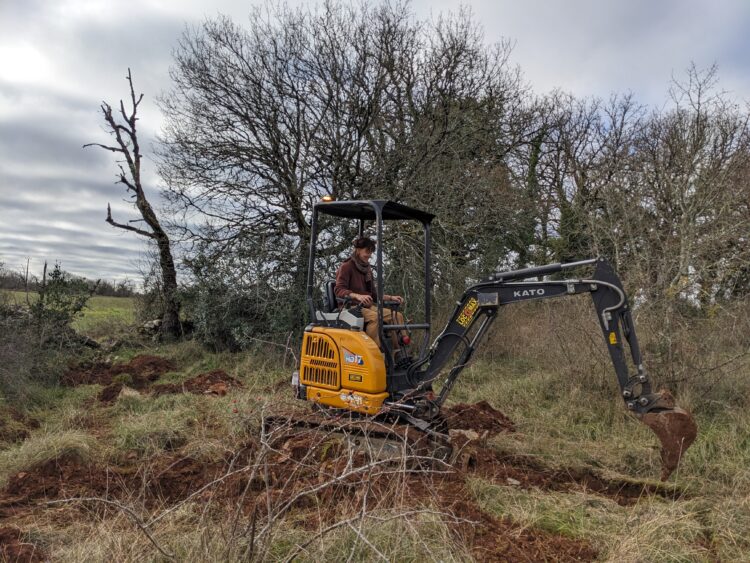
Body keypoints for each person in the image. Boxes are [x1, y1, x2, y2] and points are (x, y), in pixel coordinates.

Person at [335, 237, 406, 350]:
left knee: (396, 316)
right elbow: (339, 290)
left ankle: (398, 353)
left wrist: (391, 297)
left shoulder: (366, 269)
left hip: (367, 306)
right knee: (376, 317)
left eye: (371, 252)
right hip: (350, 307)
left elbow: (374, 295)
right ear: (358, 250)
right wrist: (357, 296)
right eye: (367, 251)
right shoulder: (346, 267)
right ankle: (374, 353)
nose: (369, 255)